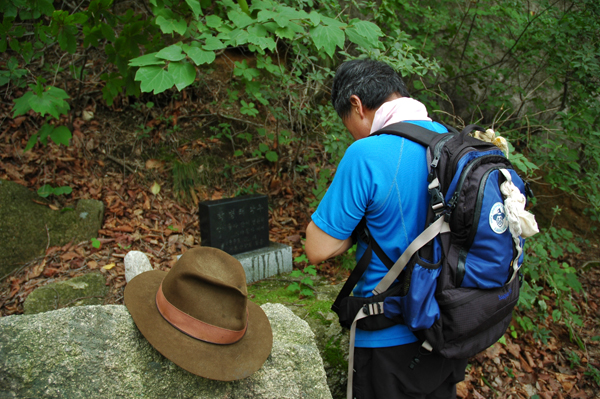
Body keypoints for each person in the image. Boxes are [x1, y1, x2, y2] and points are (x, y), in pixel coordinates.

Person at [305, 59, 468, 399]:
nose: (352, 131)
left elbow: (317, 249)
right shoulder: (454, 143)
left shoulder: (366, 153)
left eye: (348, 123)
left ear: (356, 105)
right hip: (446, 330)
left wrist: (365, 224)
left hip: (386, 339)